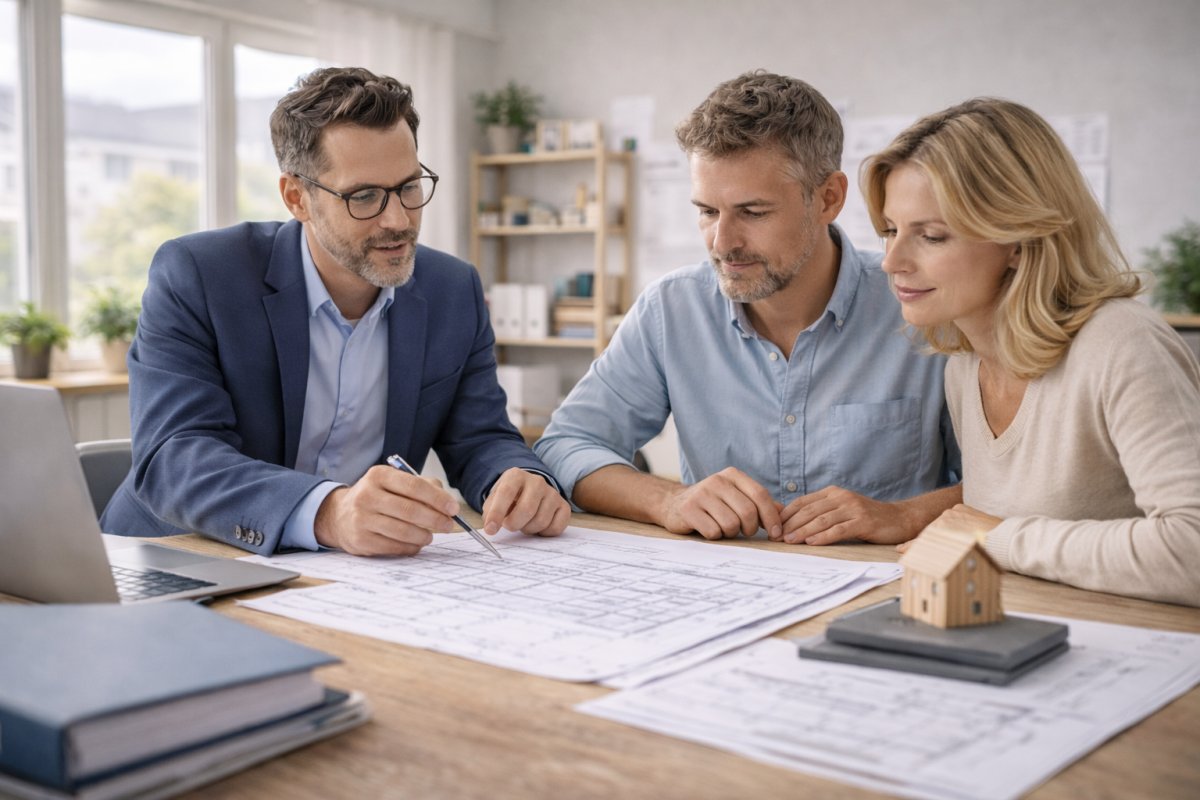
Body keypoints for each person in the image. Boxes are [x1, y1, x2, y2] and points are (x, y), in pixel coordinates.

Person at [102, 67, 569, 557]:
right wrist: (329, 512)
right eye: (363, 196)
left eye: (409, 187)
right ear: (296, 197)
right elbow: (174, 459)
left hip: (344, 580)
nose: (398, 220)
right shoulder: (199, 275)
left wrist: (518, 480)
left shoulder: (453, 290)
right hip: (178, 557)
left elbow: (481, 437)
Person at [534, 70, 960, 544]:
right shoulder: (671, 310)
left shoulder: (922, 307)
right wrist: (669, 499)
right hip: (727, 593)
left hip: (885, 594)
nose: (723, 243)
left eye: (753, 213)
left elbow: (1000, 490)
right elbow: (565, 446)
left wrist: (901, 516)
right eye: (707, 211)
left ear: (828, 198)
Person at [862, 97, 1200, 606]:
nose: (892, 262)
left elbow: (1191, 551)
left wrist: (997, 537)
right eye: (890, 231)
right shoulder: (964, 364)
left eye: (930, 236)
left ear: (1018, 240)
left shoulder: (1123, 346)